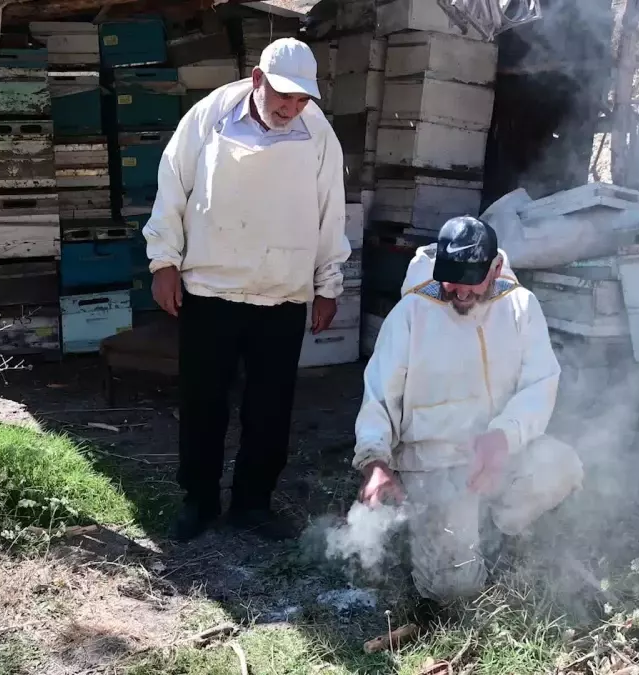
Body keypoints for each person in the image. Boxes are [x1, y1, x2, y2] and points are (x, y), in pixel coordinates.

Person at [143, 38, 351, 542]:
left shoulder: (318, 134)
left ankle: (253, 503)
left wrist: (328, 284)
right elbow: (172, 186)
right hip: (211, 287)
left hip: (282, 292)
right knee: (203, 403)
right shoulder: (208, 116)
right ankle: (199, 500)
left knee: (271, 408)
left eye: (302, 100)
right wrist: (163, 261)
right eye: (284, 95)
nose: (291, 107)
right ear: (258, 80)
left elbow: (331, 212)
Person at [352, 216, 584, 604]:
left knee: (561, 466)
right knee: (451, 592)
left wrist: (502, 436)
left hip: (501, 455)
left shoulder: (521, 307)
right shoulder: (412, 312)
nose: (458, 291)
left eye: (470, 279)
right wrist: (375, 461)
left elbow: (540, 383)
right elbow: (378, 394)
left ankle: (498, 525)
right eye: (450, 278)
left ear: (495, 267)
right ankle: (453, 533)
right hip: (435, 468)